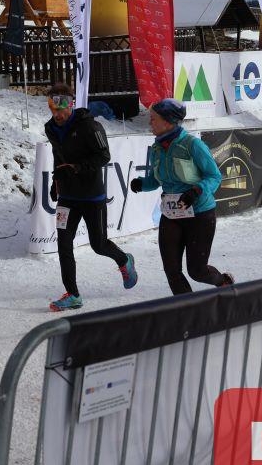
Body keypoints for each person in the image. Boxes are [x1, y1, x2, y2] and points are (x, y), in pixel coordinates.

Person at [44, 83, 137, 311]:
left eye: (62, 109)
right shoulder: (51, 128)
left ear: (71, 105)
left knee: (99, 244)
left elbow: (104, 156)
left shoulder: (90, 126)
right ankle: (73, 295)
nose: (58, 114)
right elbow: (58, 156)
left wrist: (77, 167)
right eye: (53, 109)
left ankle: (124, 260)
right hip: (68, 197)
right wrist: (55, 181)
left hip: (91, 196)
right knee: (64, 245)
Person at [130, 99, 234, 295]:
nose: (150, 122)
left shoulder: (192, 145)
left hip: (199, 214)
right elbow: (156, 179)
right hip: (172, 214)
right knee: (172, 271)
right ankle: (188, 309)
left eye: (153, 119)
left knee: (197, 271)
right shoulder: (157, 148)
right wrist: (142, 184)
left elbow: (214, 176)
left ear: (168, 121)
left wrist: (196, 191)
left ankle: (223, 282)